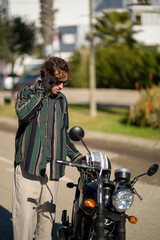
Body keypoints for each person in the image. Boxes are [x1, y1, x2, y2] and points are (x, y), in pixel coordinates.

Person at [12, 56, 84, 240]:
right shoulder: (26, 93)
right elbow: (23, 114)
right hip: (29, 165)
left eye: (64, 83)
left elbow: (63, 134)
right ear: (46, 76)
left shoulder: (61, 100)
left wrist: (78, 158)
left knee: (46, 224)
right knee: (25, 224)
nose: (61, 86)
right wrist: (42, 92)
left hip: (53, 171)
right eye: (58, 82)